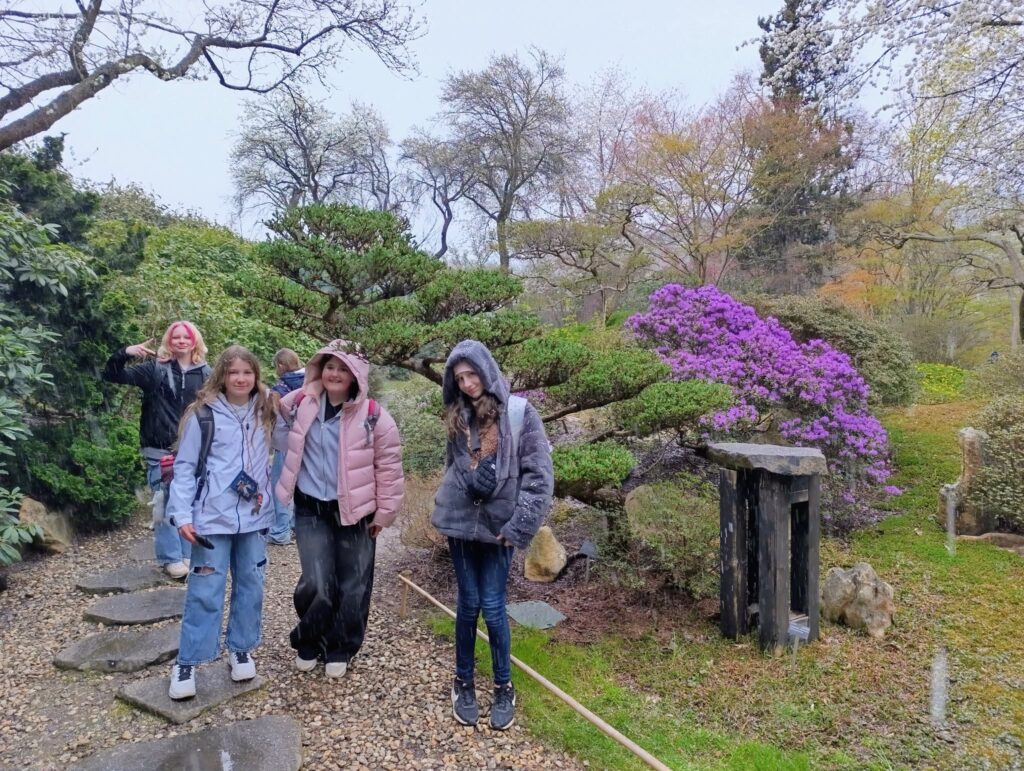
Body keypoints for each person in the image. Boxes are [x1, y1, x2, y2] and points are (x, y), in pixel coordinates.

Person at [431, 340, 553, 731]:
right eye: (459, 378)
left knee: (494, 606)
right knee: (468, 604)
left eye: (472, 374)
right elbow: (452, 466)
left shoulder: (518, 412)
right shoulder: (457, 416)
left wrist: (520, 526)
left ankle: (504, 685)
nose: (467, 383)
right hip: (460, 524)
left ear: (487, 370)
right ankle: (463, 681)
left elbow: (539, 476)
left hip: (500, 527)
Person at [274, 340, 404, 678]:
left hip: (357, 511)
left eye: (343, 369)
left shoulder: (374, 417)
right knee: (316, 580)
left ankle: (341, 646)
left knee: (353, 583)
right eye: (330, 366)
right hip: (310, 507)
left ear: (356, 375)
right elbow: (278, 434)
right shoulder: (300, 403)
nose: (335, 374)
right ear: (319, 369)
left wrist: (384, 513)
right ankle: (310, 637)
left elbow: (389, 468)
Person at [164, 345, 276, 700]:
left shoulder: (267, 410)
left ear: (256, 376)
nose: (241, 379)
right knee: (205, 589)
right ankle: (188, 661)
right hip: (212, 517)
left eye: (247, 372)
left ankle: (240, 648)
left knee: (251, 584)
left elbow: (296, 433)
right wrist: (182, 515)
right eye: (233, 372)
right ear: (222, 376)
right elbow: (184, 467)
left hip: (254, 516)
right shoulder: (203, 414)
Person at [103, 321, 210, 578]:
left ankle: (188, 553)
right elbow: (113, 375)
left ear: (195, 341)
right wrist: (125, 353)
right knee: (164, 502)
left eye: (186, 337)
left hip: (193, 449)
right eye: (176, 337)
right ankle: (171, 558)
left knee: (191, 501)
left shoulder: (207, 374)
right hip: (159, 448)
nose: (181, 341)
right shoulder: (155, 370)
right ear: (168, 341)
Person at [267, 349, 305, 545]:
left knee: (280, 487)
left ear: (281, 365)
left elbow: (273, 416)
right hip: (307, 444)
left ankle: (280, 531)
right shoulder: (311, 383)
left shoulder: (279, 389)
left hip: (284, 444)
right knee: (302, 486)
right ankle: (299, 526)